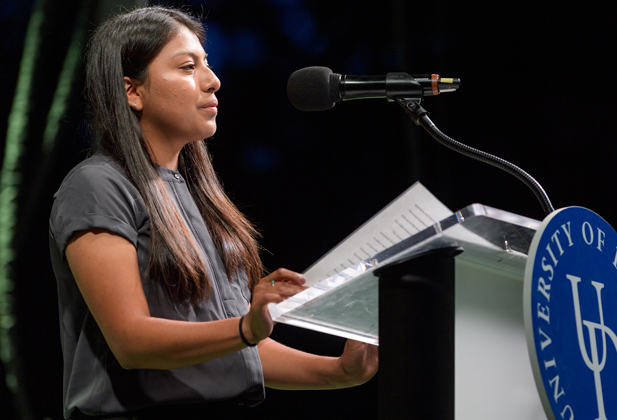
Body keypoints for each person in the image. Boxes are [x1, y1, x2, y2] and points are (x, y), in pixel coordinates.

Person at [48, 5, 378, 420]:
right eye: (188, 67)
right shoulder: (97, 185)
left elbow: (236, 350)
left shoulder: (202, 200)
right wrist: (244, 329)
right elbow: (131, 341)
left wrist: (338, 371)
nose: (213, 80)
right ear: (133, 91)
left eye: (208, 63)